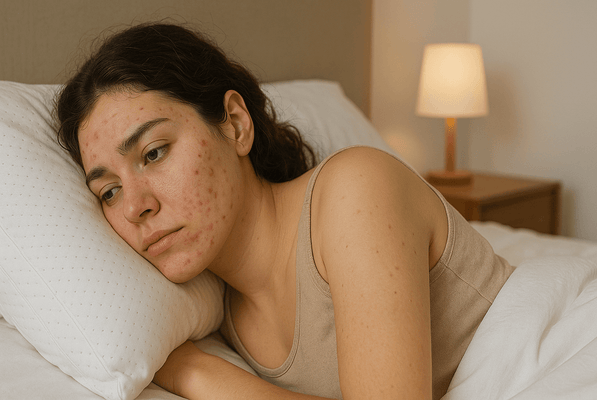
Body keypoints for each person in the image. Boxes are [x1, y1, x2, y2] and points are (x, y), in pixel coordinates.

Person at [56, 22, 514, 400]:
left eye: (154, 153)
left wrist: (196, 374)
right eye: (109, 192)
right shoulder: (219, 310)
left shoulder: (355, 190)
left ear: (235, 124)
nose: (135, 206)